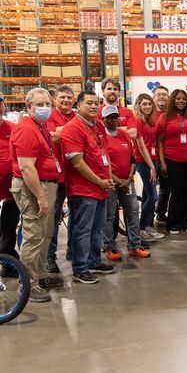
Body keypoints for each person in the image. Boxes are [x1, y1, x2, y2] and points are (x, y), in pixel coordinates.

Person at [9, 88, 63, 302]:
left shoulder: (39, 126)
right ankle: (28, 284)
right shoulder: (26, 129)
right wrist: (40, 196)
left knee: (45, 234)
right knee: (33, 236)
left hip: (45, 186)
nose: (44, 108)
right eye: (39, 105)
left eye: (47, 104)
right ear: (28, 106)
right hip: (33, 188)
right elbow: (26, 167)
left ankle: (40, 276)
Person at [60, 90, 116, 284]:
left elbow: (105, 154)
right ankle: (80, 268)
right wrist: (99, 181)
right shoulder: (73, 128)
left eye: (96, 103)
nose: (94, 106)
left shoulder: (98, 125)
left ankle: (93, 261)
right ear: (78, 106)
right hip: (83, 190)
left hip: (101, 188)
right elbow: (77, 163)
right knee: (82, 230)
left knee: (97, 228)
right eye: (89, 103)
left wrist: (108, 178)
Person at [102, 106, 151, 260]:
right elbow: (103, 163)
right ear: (103, 120)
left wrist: (129, 178)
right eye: (109, 117)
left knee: (133, 212)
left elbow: (132, 159)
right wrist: (117, 181)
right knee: (109, 216)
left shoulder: (123, 134)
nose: (112, 120)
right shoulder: (101, 136)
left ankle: (135, 246)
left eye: (115, 117)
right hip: (110, 183)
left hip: (127, 182)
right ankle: (110, 247)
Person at [157, 89, 187, 234]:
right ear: (172, 100)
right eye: (178, 98)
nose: (181, 101)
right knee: (176, 192)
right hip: (172, 160)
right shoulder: (164, 118)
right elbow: (160, 141)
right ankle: (174, 222)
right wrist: (162, 162)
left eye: (183, 99)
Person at [46, 85, 76, 273]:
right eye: (62, 97)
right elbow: (52, 137)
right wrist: (72, 132)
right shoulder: (49, 116)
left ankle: (73, 251)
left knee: (78, 214)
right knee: (54, 216)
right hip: (57, 176)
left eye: (69, 98)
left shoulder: (76, 116)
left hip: (78, 174)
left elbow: (60, 134)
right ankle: (50, 256)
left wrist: (62, 131)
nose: (66, 100)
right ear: (55, 99)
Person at [133, 93, 164, 242]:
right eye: (144, 104)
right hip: (144, 162)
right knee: (153, 196)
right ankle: (141, 229)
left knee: (147, 195)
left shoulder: (150, 121)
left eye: (149, 104)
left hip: (154, 160)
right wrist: (151, 166)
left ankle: (147, 227)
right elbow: (140, 145)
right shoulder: (138, 120)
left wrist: (155, 162)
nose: (147, 106)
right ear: (138, 105)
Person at [0, 94, 21, 276]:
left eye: (0, 103)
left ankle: (8, 263)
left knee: (8, 229)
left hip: (10, 193)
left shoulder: (13, 129)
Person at [153, 85, 170, 225]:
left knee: (165, 188)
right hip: (150, 159)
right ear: (154, 97)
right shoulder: (148, 113)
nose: (162, 97)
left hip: (166, 158)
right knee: (151, 191)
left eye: (164, 94)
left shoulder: (170, 115)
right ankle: (147, 219)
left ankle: (160, 213)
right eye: (159, 94)